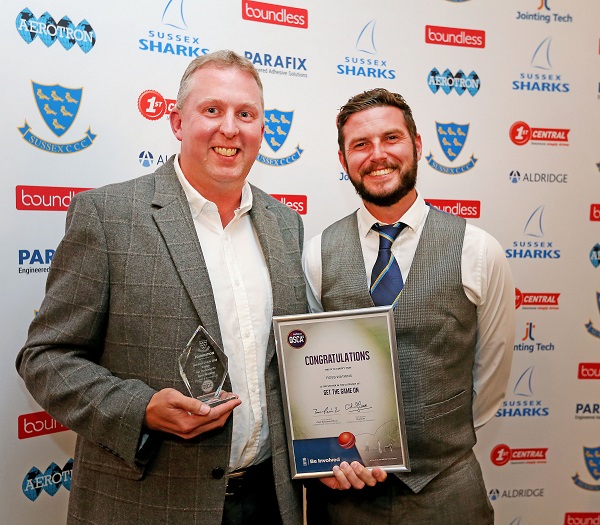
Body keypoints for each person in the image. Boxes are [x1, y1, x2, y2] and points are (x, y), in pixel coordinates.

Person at [16, 50, 306, 525]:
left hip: (269, 502)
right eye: (211, 110)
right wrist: (142, 409)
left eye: (246, 114)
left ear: (261, 127)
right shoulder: (108, 218)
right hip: (148, 505)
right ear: (176, 122)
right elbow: (45, 358)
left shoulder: (285, 225)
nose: (230, 128)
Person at [302, 88, 515, 524]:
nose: (377, 155)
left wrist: (437, 436)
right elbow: (309, 378)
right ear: (343, 162)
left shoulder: (477, 250)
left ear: (417, 145)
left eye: (391, 138)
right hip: (346, 496)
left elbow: (491, 376)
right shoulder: (318, 253)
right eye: (360, 144)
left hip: (447, 489)